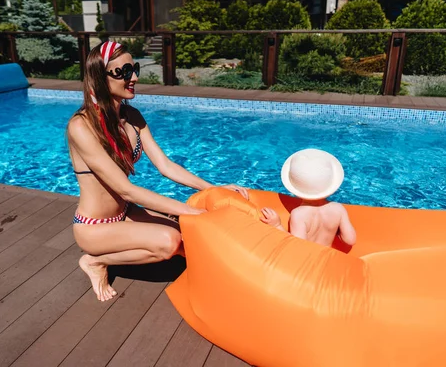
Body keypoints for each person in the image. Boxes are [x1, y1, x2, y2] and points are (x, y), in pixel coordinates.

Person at [67, 41, 249, 301]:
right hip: (95, 228)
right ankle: (96, 262)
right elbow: (125, 189)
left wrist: (213, 188)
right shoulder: (82, 126)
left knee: (187, 237)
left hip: (126, 214)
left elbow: (166, 166)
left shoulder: (132, 117)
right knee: (169, 242)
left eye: (134, 68)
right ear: (99, 76)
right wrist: (189, 210)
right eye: (124, 71)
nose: (134, 77)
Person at [259, 148, 356, 248]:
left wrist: (277, 226)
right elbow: (350, 240)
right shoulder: (338, 209)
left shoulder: (299, 214)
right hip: (328, 257)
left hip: (310, 260)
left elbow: (300, 246)